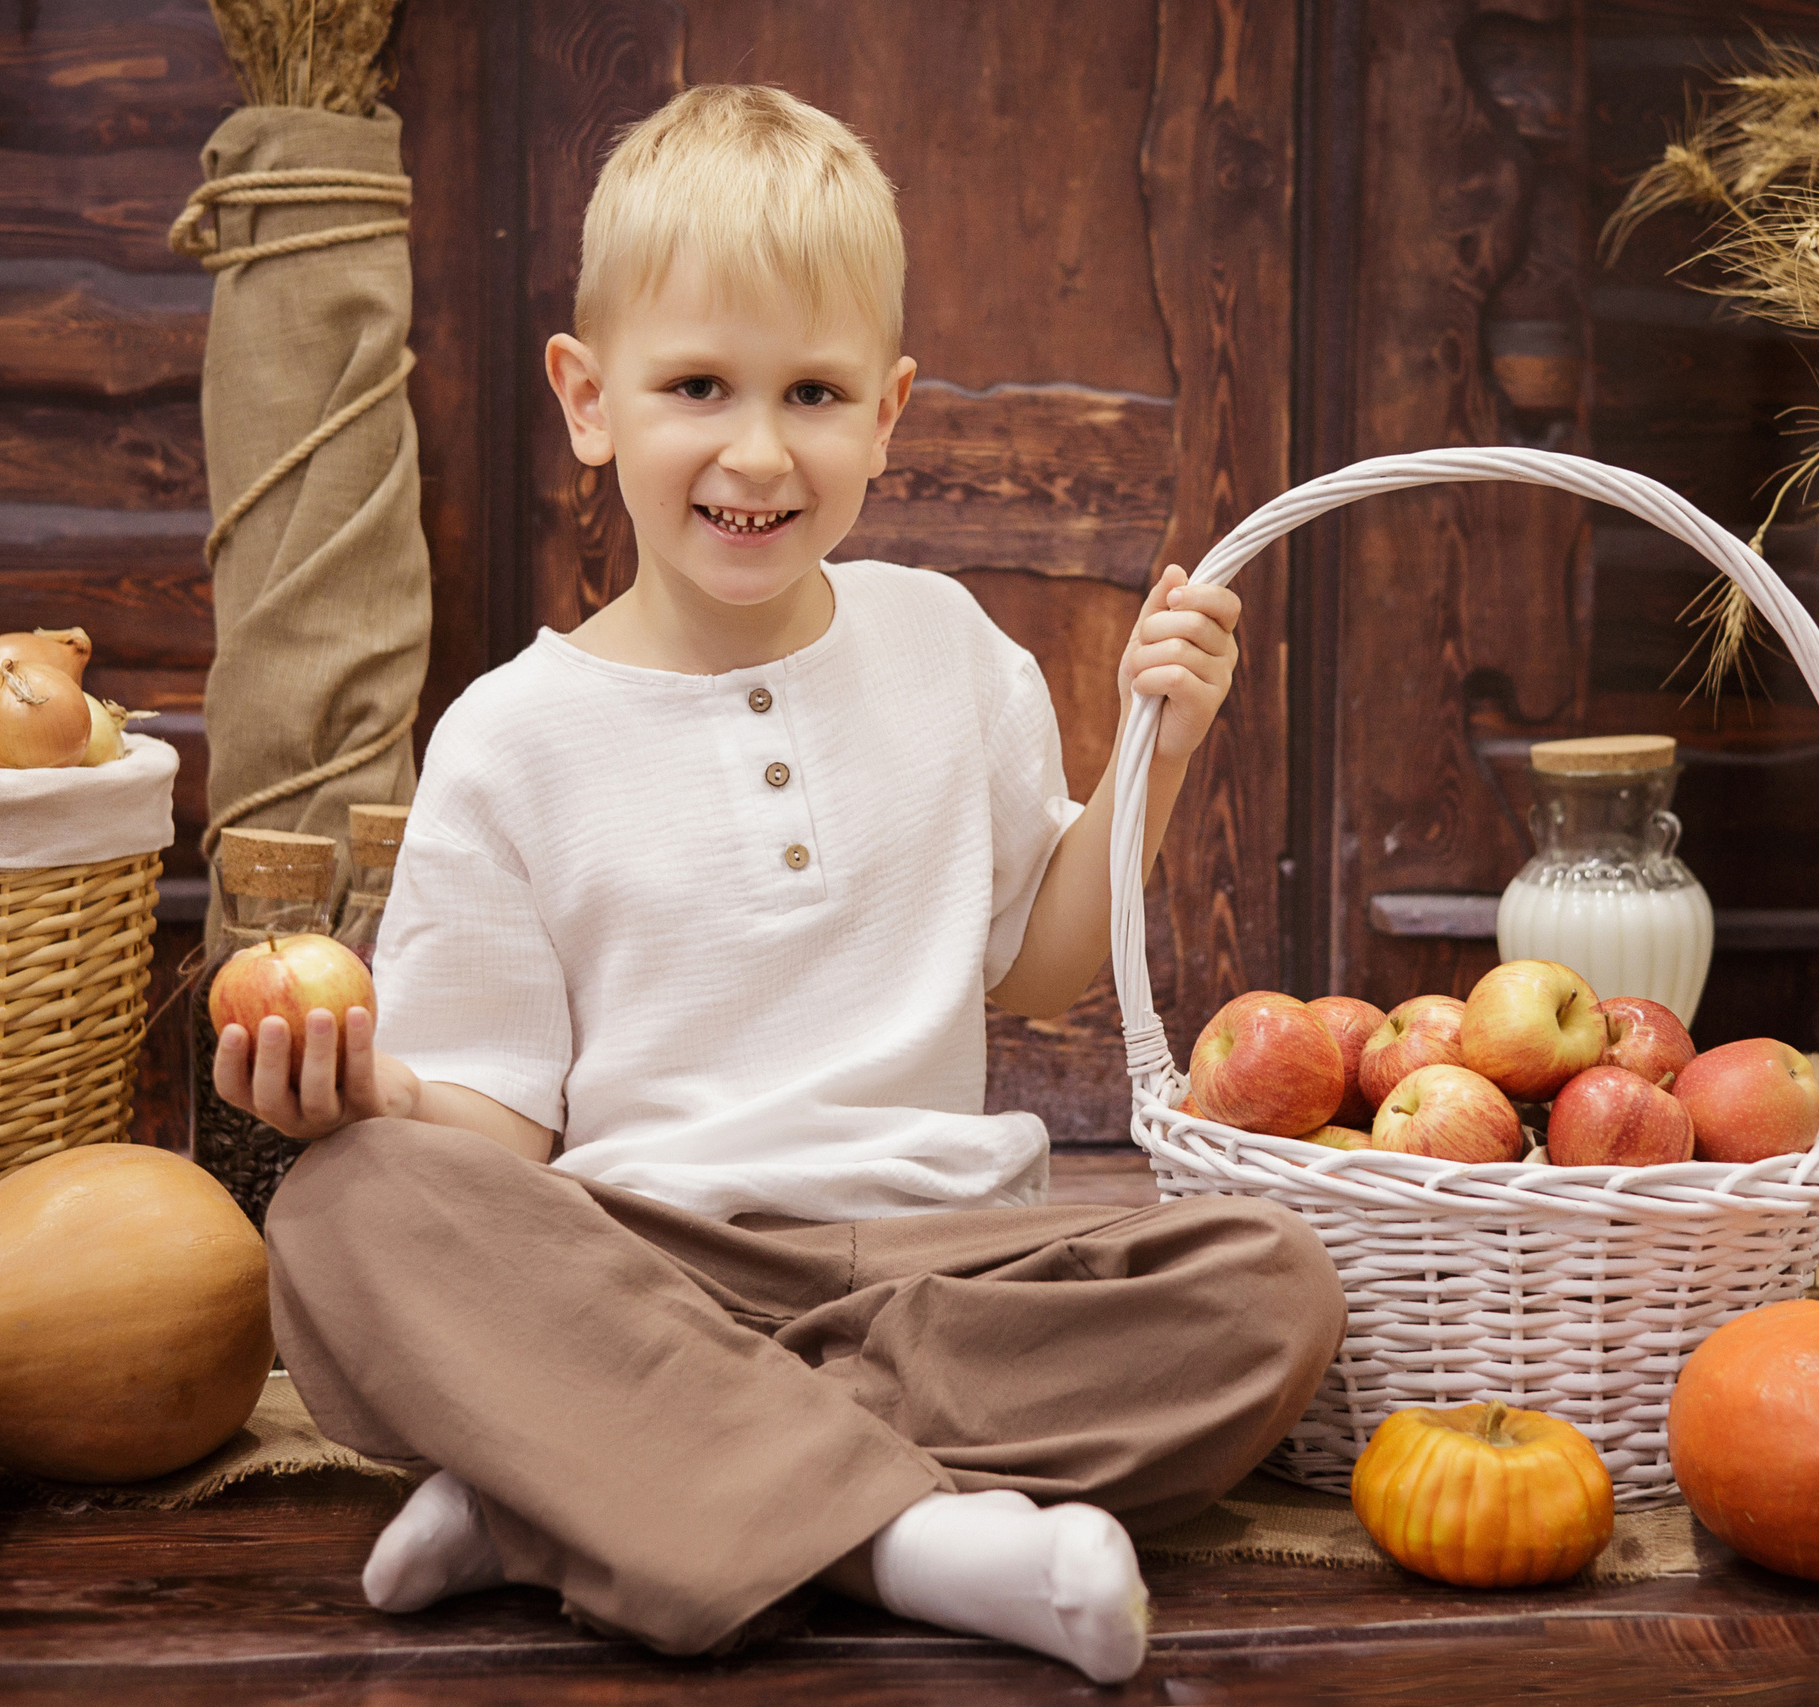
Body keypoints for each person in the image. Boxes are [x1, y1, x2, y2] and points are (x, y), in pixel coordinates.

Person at [213, 82, 1344, 1686]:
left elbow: (1035, 975)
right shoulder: (510, 741)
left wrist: (1163, 748)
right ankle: (918, 1545)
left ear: (887, 414)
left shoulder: (956, 654)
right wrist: (364, 1090)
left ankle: (570, 1498)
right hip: (644, 1259)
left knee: (1269, 1288)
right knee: (345, 1214)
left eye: (811, 392)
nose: (756, 450)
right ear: (589, 399)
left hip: (944, 1264)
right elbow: (494, 1140)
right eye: (696, 386)